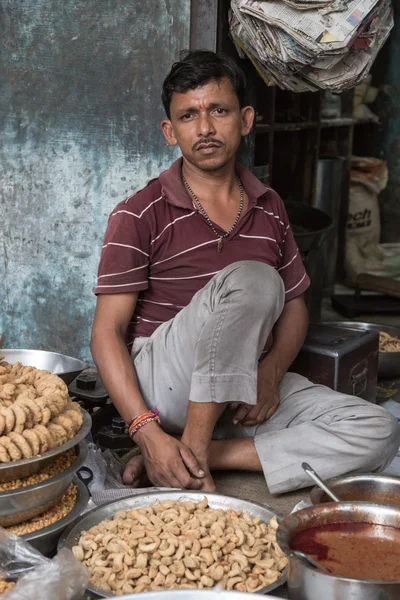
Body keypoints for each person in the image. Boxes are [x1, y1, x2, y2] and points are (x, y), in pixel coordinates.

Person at [91, 50, 400, 494]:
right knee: (255, 278)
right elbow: (106, 332)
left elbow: (295, 309)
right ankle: (190, 447)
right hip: (168, 381)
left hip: (245, 384)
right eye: (188, 115)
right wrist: (144, 429)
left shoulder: (269, 206)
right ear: (169, 130)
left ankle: (195, 456)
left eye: (219, 110)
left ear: (246, 119)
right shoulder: (139, 213)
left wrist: (271, 373)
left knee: (377, 428)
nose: (205, 128)